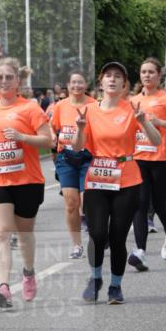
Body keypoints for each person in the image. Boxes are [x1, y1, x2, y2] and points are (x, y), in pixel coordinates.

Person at [71, 61, 159, 303]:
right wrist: (80, 129)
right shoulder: (89, 110)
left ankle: (115, 286)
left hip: (127, 179)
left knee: (118, 236)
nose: (112, 79)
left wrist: (144, 121)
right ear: (101, 82)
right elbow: (77, 147)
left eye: (117, 76)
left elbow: (157, 140)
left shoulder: (132, 109)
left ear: (124, 84)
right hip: (98, 178)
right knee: (98, 234)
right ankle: (95, 278)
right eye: (108, 75)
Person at [0, 57, 52, 310]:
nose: (4, 81)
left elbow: (48, 140)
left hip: (27, 180)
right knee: (1, 232)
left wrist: (21, 137)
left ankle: (28, 272)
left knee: (25, 234)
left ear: (18, 81)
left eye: (9, 77)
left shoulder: (30, 108)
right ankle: (4, 287)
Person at [49, 71, 96, 259]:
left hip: (88, 157)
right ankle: (77, 245)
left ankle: (97, 235)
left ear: (86, 85)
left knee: (87, 203)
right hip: (66, 157)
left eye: (80, 82)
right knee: (71, 203)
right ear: (68, 85)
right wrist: (52, 137)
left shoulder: (94, 105)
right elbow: (52, 127)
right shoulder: (60, 106)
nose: (76, 86)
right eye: (73, 82)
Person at [127, 57, 166, 269]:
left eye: (151, 72)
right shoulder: (133, 101)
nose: (147, 75)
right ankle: (140, 251)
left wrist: (160, 122)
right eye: (144, 72)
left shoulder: (165, 98)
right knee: (140, 204)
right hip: (139, 158)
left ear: (159, 75)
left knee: (160, 204)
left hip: (162, 158)